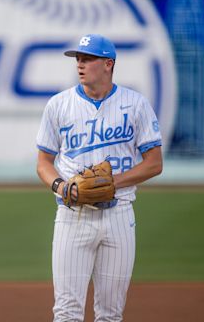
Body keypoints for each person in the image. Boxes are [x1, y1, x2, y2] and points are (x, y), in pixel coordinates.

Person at [36, 34, 163, 322]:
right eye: (78, 59)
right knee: (66, 312)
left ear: (108, 64)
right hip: (72, 216)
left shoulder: (135, 104)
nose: (80, 64)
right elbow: (43, 162)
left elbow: (154, 163)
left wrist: (112, 183)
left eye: (88, 59)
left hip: (119, 216)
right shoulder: (59, 105)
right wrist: (60, 185)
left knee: (110, 314)